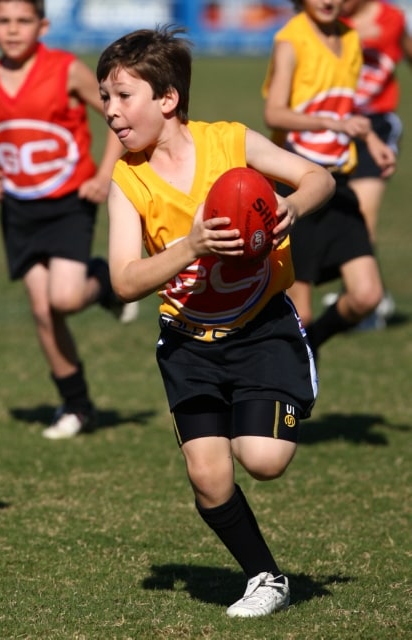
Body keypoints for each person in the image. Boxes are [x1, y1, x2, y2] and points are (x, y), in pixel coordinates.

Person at [96, 25, 335, 618]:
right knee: (209, 478)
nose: (111, 111)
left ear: (168, 98)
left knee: (263, 460)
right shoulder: (128, 180)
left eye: (124, 96)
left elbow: (318, 177)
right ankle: (265, 578)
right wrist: (193, 245)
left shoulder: (229, 143)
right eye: (105, 98)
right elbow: (124, 280)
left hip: (260, 327)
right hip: (187, 344)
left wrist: (290, 206)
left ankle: (294, 370)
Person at [0, 0, 137, 440]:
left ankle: (107, 283)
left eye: (23, 21)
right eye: (3, 22)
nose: (13, 30)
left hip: (69, 201)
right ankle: (77, 405)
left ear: (43, 25)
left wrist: (105, 173)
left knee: (65, 299)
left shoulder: (67, 69)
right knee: (42, 309)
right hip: (19, 209)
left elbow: (114, 117)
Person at [262, 0, 396, 358]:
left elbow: (344, 104)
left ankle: (313, 342)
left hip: (339, 183)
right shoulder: (291, 41)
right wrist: (331, 123)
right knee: (299, 313)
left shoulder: (350, 37)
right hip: (297, 187)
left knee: (367, 295)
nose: (329, 1)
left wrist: (370, 139)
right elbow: (274, 113)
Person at [340, 0, 412, 326]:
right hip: (332, 125)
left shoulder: (393, 19)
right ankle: (368, 292)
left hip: (377, 128)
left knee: (362, 215)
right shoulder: (329, 18)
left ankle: (364, 300)